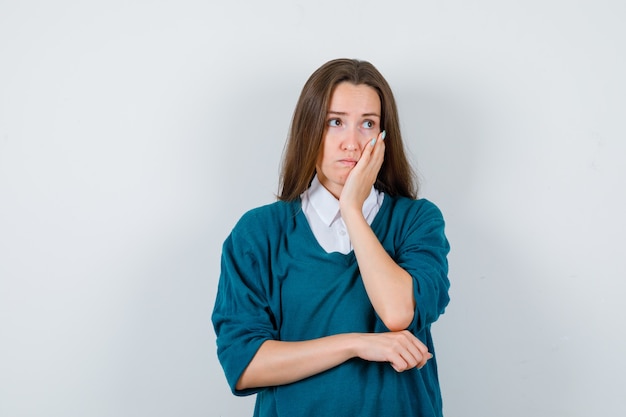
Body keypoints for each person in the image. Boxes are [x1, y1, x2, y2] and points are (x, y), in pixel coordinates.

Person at [212, 58, 451, 417]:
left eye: (367, 124)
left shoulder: (417, 221)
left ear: (384, 137)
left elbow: (398, 311)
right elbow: (245, 365)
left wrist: (352, 210)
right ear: (310, 130)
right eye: (335, 122)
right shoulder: (258, 233)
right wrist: (355, 344)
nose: (351, 144)